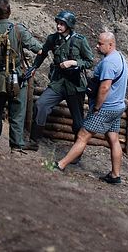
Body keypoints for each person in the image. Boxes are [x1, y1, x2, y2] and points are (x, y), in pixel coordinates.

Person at [54, 31, 128, 184]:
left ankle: (60, 165)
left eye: (100, 44)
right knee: (113, 139)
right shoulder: (120, 57)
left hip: (105, 108)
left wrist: (97, 107)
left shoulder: (108, 63)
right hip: (118, 106)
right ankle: (115, 175)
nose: (96, 46)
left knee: (82, 135)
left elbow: (104, 88)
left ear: (111, 44)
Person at [0, 0, 44, 151]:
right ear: (9, 12)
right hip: (17, 78)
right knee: (17, 110)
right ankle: (16, 144)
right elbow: (39, 49)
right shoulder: (18, 29)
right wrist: (34, 66)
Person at [25, 10, 94, 150]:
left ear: (69, 25)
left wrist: (74, 62)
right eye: (58, 23)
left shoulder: (80, 40)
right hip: (58, 81)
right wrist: (34, 67)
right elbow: (42, 53)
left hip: (75, 84)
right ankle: (34, 142)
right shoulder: (53, 39)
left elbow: (89, 61)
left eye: (62, 24)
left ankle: (77, 152)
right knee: (41, 105)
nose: (58, 26)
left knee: (77, 120)